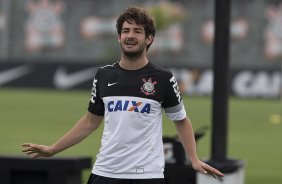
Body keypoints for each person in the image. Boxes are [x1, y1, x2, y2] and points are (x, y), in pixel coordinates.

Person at [22, 6, 224, 184]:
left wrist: (194, 158)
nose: (130, 36)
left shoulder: (163, 78)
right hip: (106, 171)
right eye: (125, 31)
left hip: (148, 175)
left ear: (149, 38)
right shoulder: (103, 75)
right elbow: (91, 121)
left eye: (137, 31)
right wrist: (53, 149)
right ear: (119, 36)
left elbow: (180, 120)